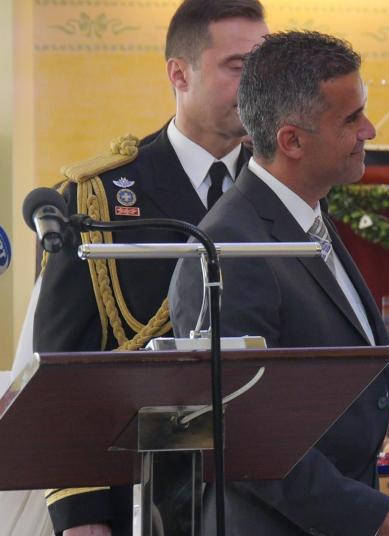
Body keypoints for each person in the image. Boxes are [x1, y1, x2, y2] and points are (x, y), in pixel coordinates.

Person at [168, 30, 389, 536]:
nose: (370, 130)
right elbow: (246, 433)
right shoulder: (230, 249)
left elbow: (317, 354)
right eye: (351, 119)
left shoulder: (304, 213)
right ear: (291, 140)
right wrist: (371, 515)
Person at [31, 1, 268, 534]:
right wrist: (81, 515)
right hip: (138, 496)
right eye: (237, 67)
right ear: (179, 74)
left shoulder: (277, 186)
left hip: (264, 495)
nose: (256, 86)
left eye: (263, 68)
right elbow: (63, 367)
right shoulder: (101, 196)